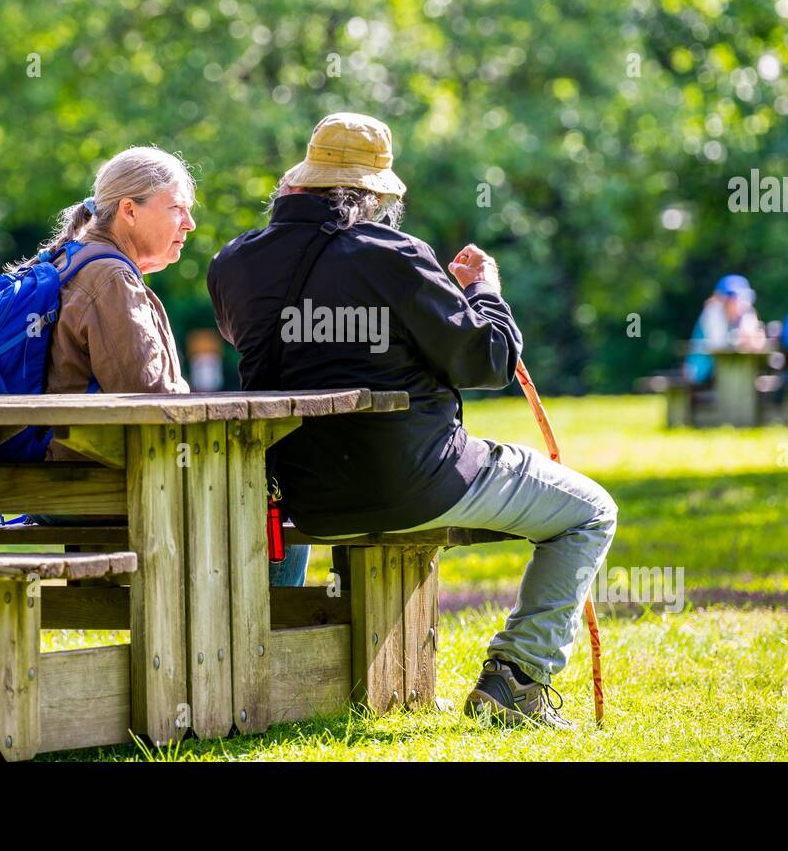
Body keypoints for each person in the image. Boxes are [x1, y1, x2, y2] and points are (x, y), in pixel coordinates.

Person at [208, 112, 617, 727]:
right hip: (417, 481)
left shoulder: (233, 264)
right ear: (373, 195)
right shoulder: (395, 256)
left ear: (299, 183)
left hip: (297, 494)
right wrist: (485, 294)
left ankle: (270, 669)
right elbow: (488, 359)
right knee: (590, 513)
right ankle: (517, 681)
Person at [21, 146, 310, 587]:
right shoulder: (109, 278)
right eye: (177, 209)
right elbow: (155, 405)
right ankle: (267, 637)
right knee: (274, 497)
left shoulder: (71, 261)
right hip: (93, 482)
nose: (189, 225)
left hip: (58, 474)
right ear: (129, 211)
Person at [682, 274, 766, 385]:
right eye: (734, 298)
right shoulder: (712, 311)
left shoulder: (745, 312)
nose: (741, 303)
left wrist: (753, 337)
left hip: (732, 366)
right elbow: (718, 344)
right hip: (702, 368)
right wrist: (741, 340)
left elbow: (755, 339)